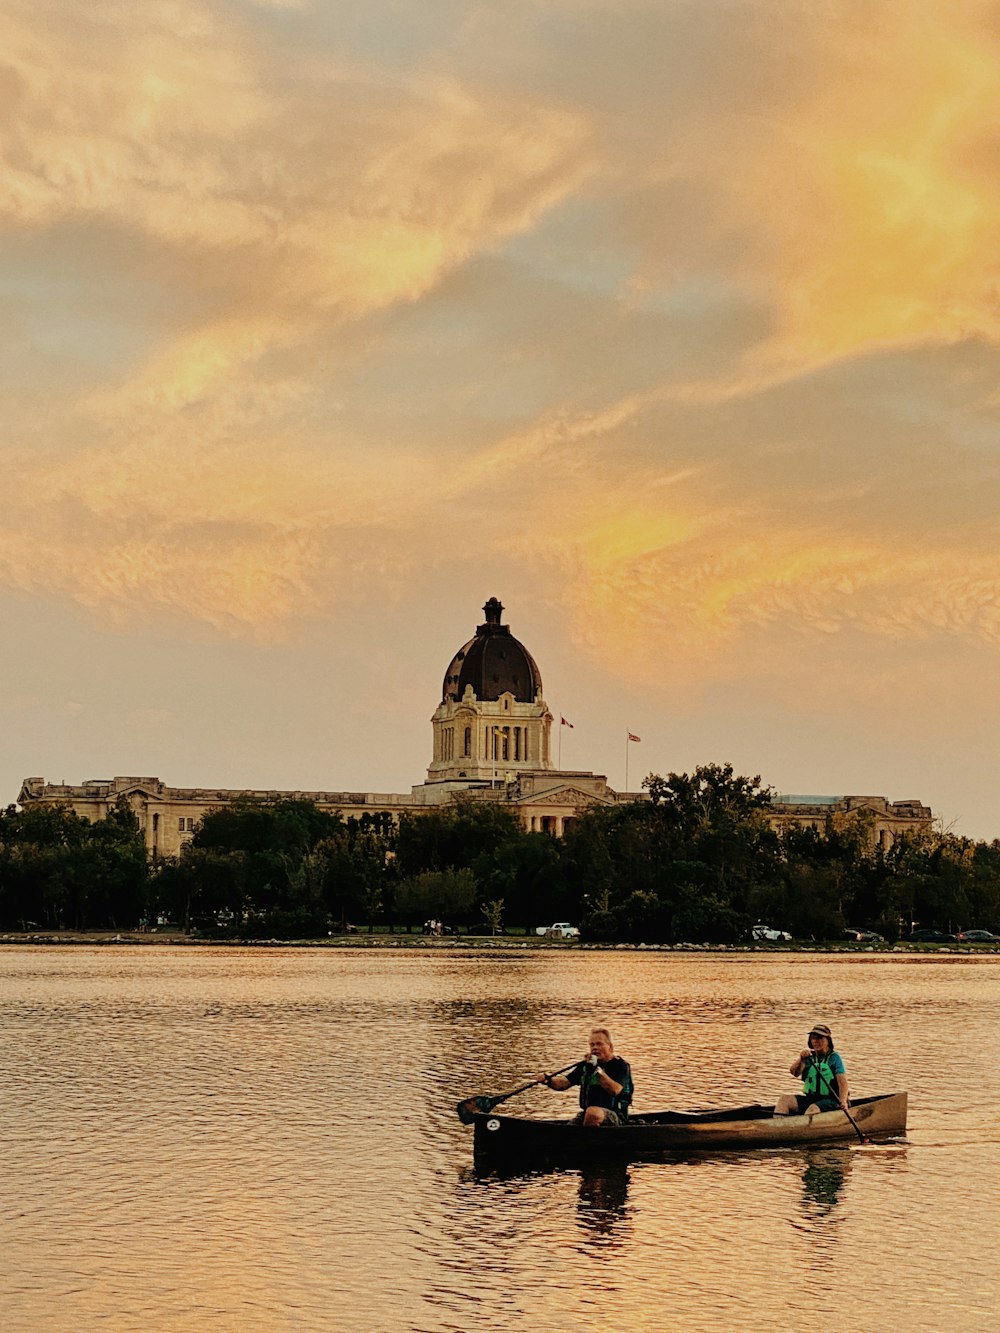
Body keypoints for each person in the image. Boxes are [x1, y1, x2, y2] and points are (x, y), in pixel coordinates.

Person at [538, 1028, 633, 1126]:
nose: (595, 1048)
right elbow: (564, 1083)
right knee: (571, 1128)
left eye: (599, 1044)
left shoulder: (620, 1065)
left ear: (610, 1047)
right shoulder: (586, 1066)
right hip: (587, 1115)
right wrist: (548, 1080)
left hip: (616, 1116)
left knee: (593, 1113)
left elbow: (615, 1090)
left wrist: (596, 1070)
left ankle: (589, 1140)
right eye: (592, 1045)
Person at [775, 1023, 849, 1116]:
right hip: (812, 1099)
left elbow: (843, 1083)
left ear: (828, 1041)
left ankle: (802, 1128)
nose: (815, 1041)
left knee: (812, 1109)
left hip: (832, 1100)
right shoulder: (808, 1057)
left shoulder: (834, 1058)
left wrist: (843, 1101)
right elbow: (794, 1073)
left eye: (819, 1038)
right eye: (813, 1038)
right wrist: (801, 1059)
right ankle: (779, 1126)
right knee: (784, 1100)